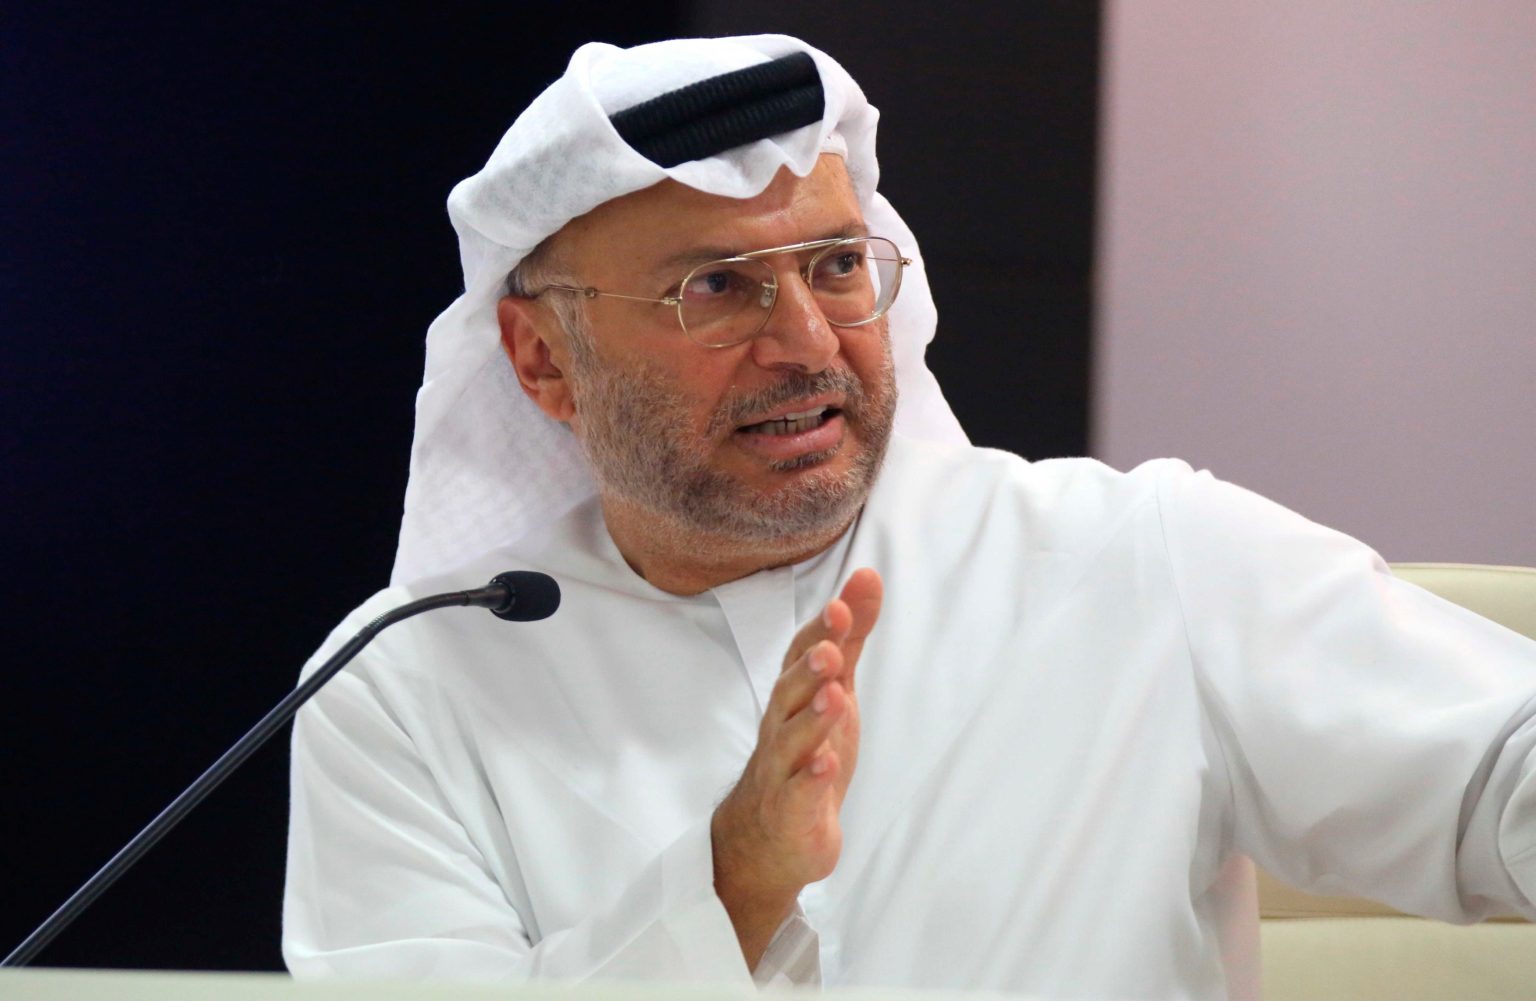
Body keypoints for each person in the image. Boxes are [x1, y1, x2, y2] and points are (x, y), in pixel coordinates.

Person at [282, 35, 1536, 1000]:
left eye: (836, 265)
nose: (806, 340)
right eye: (716, 286)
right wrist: (728, 890)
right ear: (541, 359)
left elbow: (1502, 771)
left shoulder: (1128, 556)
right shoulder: (410, 683)